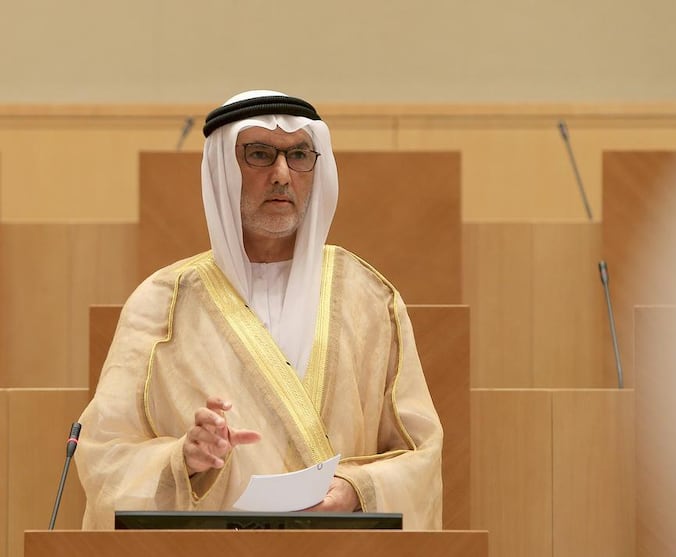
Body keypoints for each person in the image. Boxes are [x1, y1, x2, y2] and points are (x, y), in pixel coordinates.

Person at [75, 90, 443, 530]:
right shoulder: (161, 303)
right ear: (222, 172)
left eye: (300, 155)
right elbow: (104, 455)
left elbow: (421, 453)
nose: (282, 174)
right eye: (260, 155)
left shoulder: (368, 297)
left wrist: (355, 489)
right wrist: (185, 459)